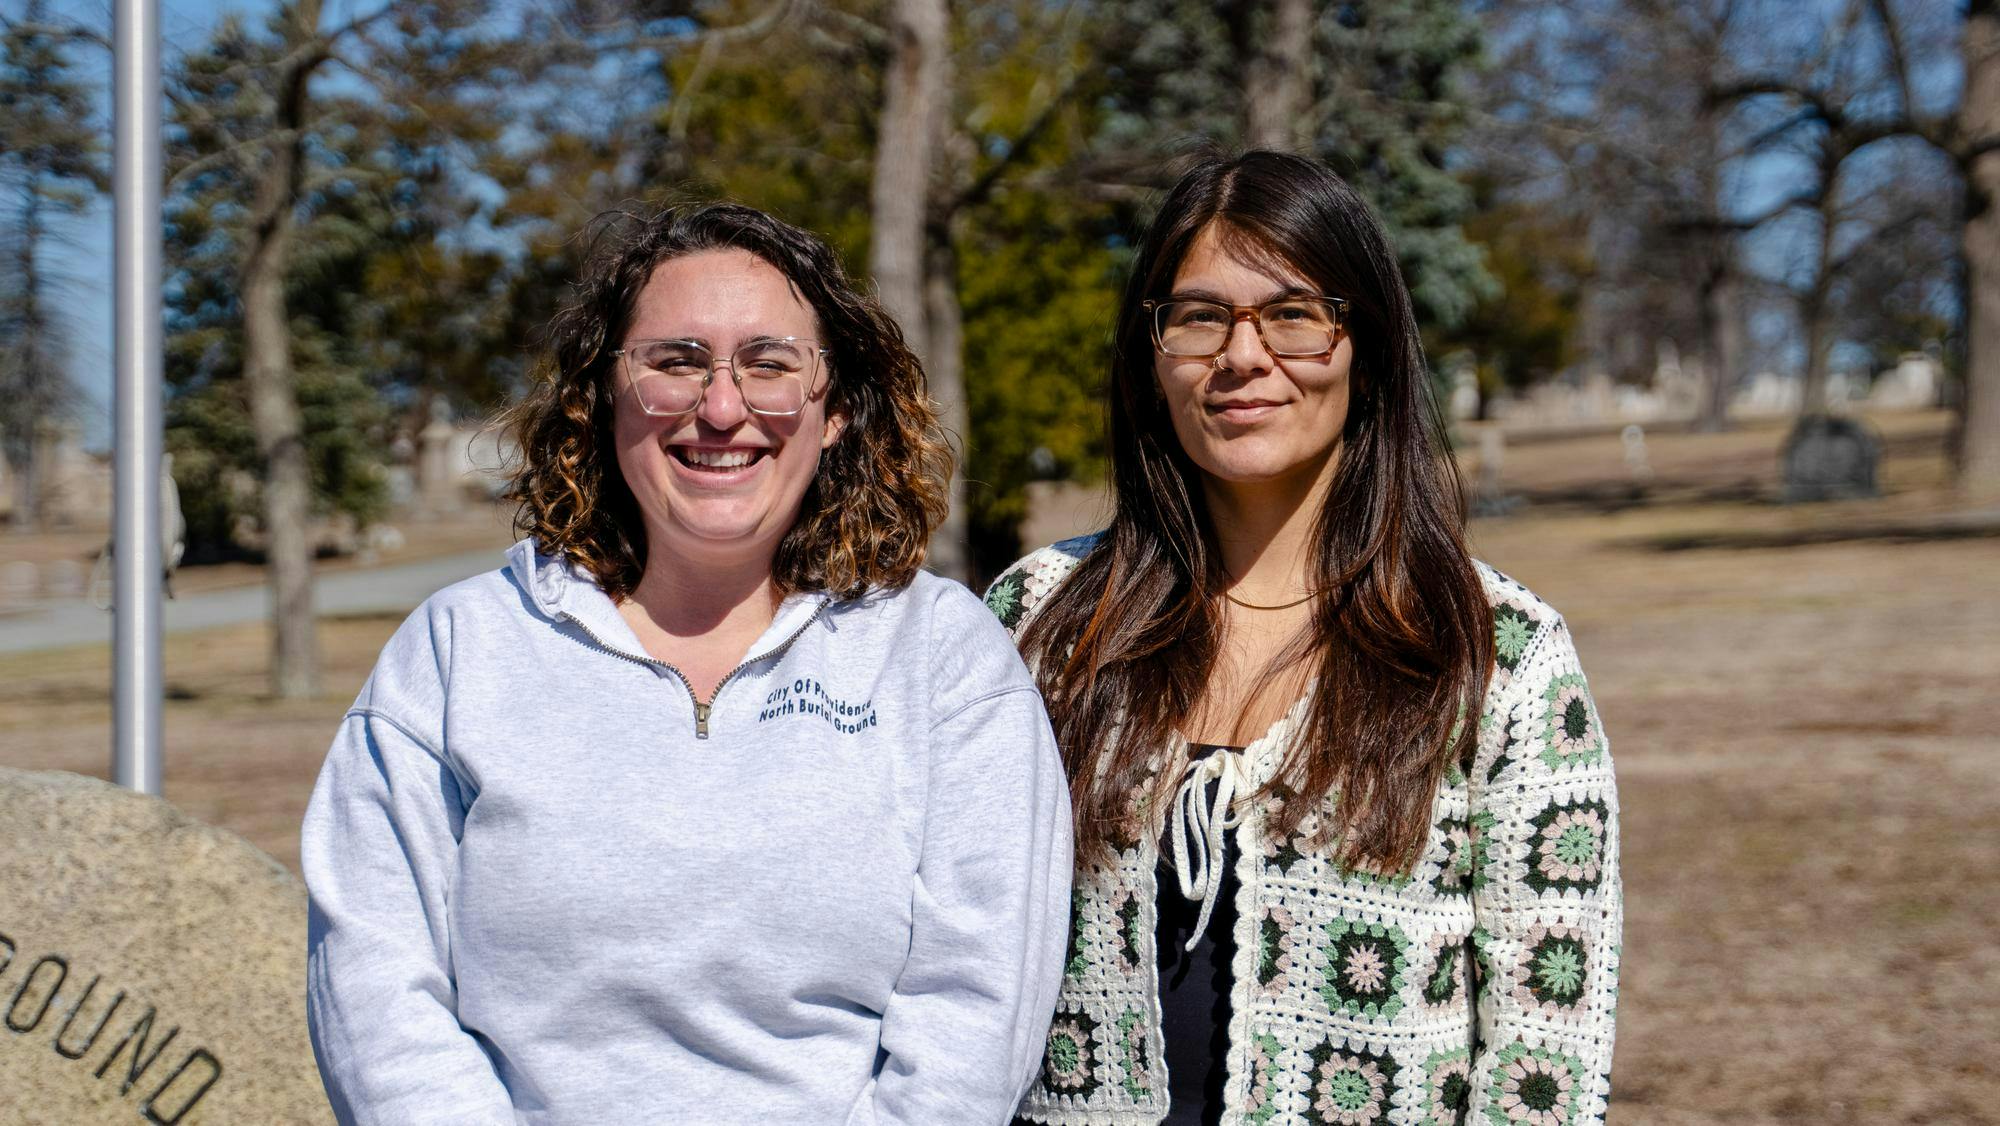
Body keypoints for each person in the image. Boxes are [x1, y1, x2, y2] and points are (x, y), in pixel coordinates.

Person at [303, 202, 1073, 1125]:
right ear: (603, 396)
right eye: (674, 362)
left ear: (835, 412)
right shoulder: (462, 650)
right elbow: (376, 985)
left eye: (770, 364)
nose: (720, 407)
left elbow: (979, 1012)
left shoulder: (940, 658)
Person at [988, 151, 1621, 1125]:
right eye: (1198, 316)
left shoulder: (1493, 653)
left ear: (1360, 342)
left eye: (1291, 313)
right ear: (1150, 353)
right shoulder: (1036, 619)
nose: (1242, 355)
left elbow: (1546, 1055)